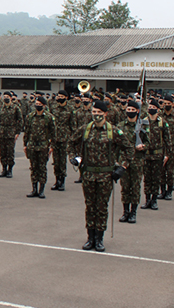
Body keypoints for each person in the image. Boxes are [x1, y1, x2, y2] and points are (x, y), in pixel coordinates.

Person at [70, 100, 132, 252]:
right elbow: (71, 142)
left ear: (105, 113)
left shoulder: (114, 131)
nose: (96, 114)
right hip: (88, 174)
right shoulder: (85, 129)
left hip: (106, 175)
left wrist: (123, 167)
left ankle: (99, 239)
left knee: (102, 207)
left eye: (99, 112)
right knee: (90, 207)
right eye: (94, 111)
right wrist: (74, 157)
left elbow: (129, 149)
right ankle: (90, 238)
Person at [117, 100, 146, 223]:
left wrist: (143, 146)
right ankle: (125, 212)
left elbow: (150, 143)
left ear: (137, 111)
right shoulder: (120, 126)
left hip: (137, 161)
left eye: (132, 110)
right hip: (124, 161)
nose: (130, 112)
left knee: (134, 187)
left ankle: (133, 212)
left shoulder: (142, 126)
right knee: (125, 187)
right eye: (128, 110)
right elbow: (116, 143)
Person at [23, 97, 56, 198]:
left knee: (42, 168)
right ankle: (34, 189)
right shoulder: (30, 116)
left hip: (43, 146)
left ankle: (41, 190)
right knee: (33, 168)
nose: (37, 105)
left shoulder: (49, 117)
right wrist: (25, 144)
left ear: (44, 105)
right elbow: (27, 131)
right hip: (32, 146)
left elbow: (53, 133)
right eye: (36, 103)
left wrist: (52, 147)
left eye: (39, 104)